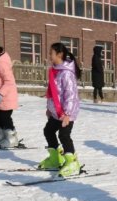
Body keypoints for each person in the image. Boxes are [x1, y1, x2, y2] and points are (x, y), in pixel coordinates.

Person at [38, 42, 82, 177]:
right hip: (56, 112)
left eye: (51, 53)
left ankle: (72, 162)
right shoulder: (55, 70)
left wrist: (68, 114)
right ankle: (55, 159)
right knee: (48, 131)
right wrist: (49, 108)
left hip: (66, 113)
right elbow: (52, 92)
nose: (49, 56)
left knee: (64, 135)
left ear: (59, 54)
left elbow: (71, 95)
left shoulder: (66, 73)